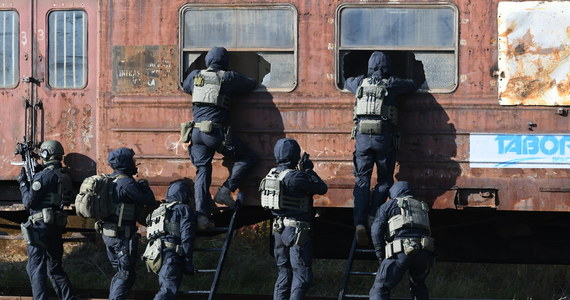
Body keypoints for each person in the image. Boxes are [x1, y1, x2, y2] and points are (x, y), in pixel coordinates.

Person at [344, 51, 423, 246]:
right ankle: (373, 214)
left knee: (361, 180)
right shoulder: (391, 84)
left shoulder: (358, 84)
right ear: (387, 67)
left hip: (362, 139)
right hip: (383, 139)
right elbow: (413, 84)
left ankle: (359, 223)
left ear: (369, 67)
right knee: (385, 180)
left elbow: (346, 81)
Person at [182, 46, 257, 231]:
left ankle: (201, 217)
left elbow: (185, 87)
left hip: (196, 133)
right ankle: (225, 191)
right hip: (214, 133)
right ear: (224, 62)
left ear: (207, 61)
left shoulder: (194, 76)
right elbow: (251, 83)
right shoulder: (228, 77)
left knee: (202, 171)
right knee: (247, 157)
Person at [260, 138, 328, 300]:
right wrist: (309, 170)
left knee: (283, 272)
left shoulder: (270, 176)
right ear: (295, 155)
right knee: (302, 274)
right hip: (296, 230)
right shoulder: (297, 177)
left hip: (278, 230)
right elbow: (321, 188)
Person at [17, 140, 76, 300]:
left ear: (46, 154)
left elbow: (29, 202)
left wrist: (23, 184)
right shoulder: (64, 176)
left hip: (40, 228)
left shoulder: (43, 176)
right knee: (55, 268)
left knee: (36, 268)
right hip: (55, 227)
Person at [99, 147, 156, 300]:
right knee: (124, 274)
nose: (134, 163)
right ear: (125, 163)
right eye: (131, 160)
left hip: (109, 233)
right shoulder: (126, 183)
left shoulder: (110, 180)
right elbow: (148, 200)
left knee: (123, 273)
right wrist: (144, 185)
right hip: (121, 236)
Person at [369, 181, 434, 300]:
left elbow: (376, 231)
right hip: (423, 253)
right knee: (418, 285)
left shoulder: (388, 205)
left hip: (400, 252)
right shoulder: (422, 206)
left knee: (380, 288)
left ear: (393, 193)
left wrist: (380, 255)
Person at [146, 180, 195, 300]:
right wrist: (187, 261)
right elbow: (187, 236)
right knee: (167, 291)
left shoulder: (159, 211)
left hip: (155, 255)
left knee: (166, 287)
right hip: (170, 255)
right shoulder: (183, 209)